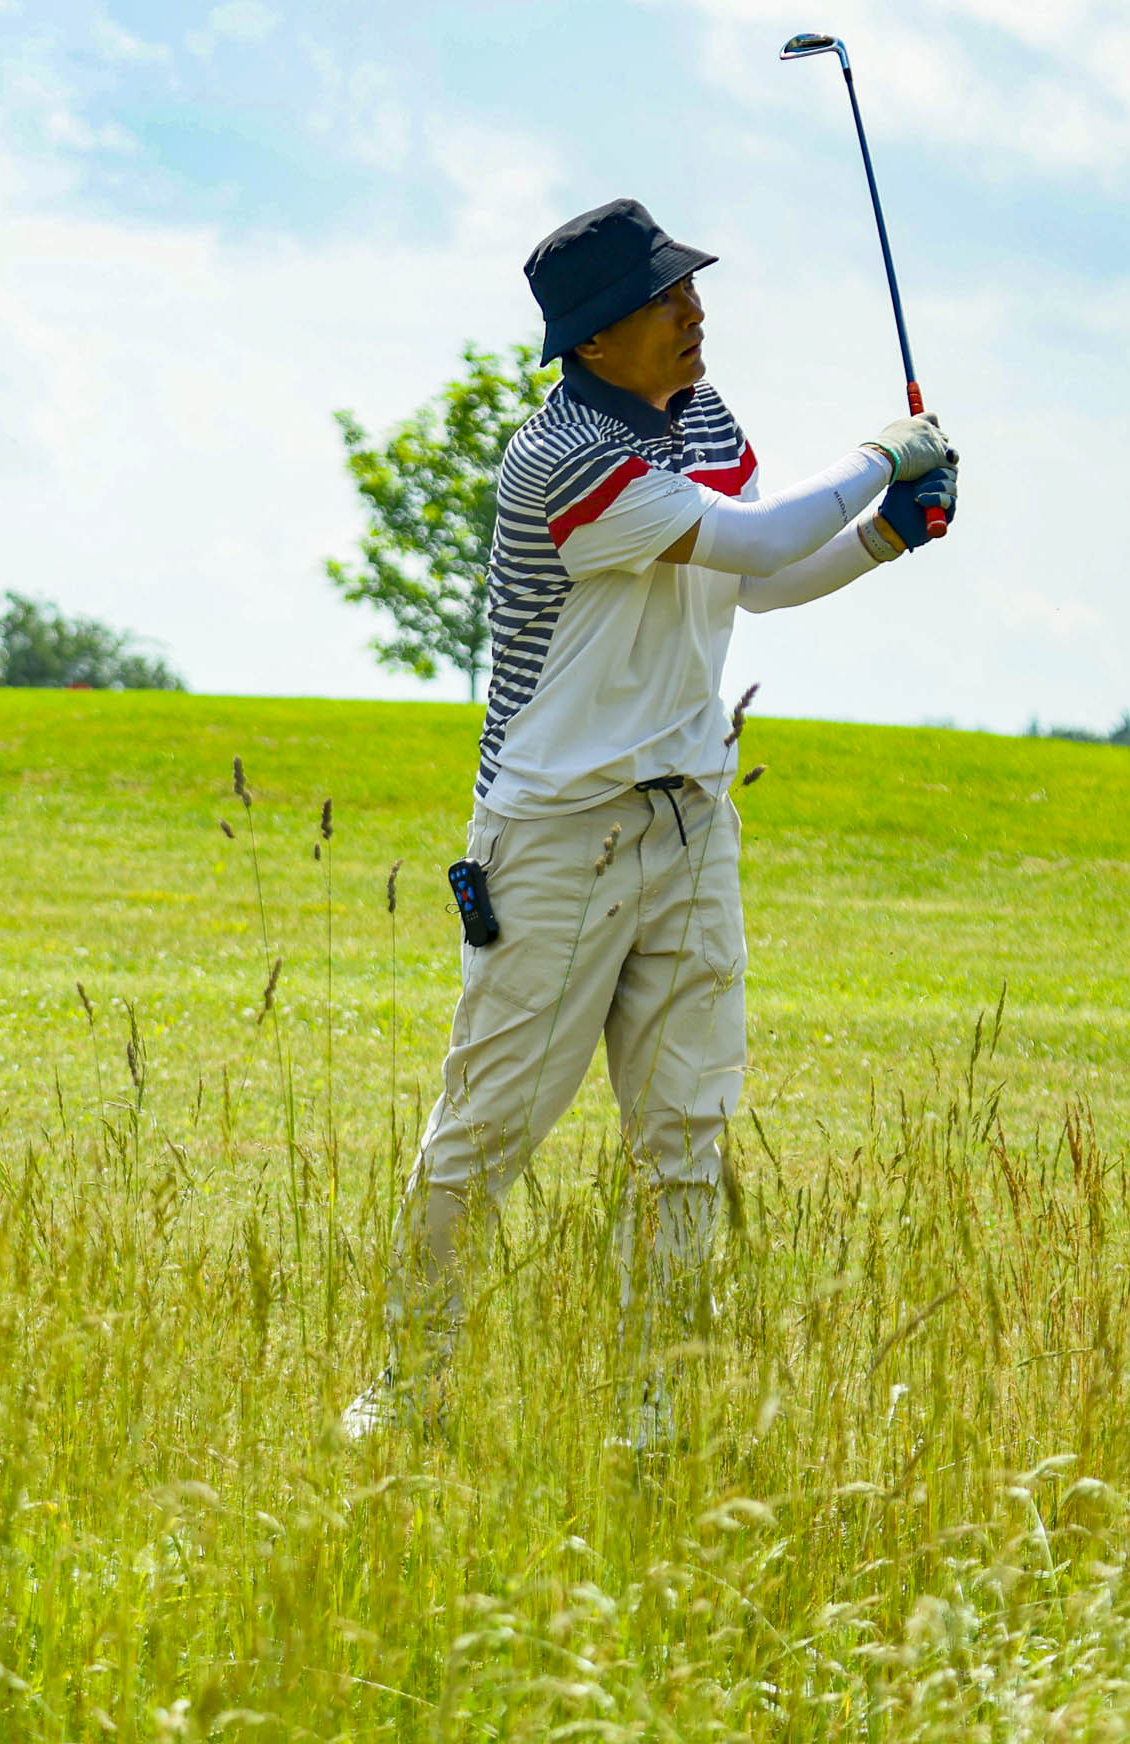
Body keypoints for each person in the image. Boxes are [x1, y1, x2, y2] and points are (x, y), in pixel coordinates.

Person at [342, 197, 959, 1450]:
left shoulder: (703, 419)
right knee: (492, 1124)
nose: (695, 314)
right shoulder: (564, 455)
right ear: (596, 335)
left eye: (690, 291)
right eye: (665, 300)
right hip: (559, 838)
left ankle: (657, 1408)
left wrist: (888, 534)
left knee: (685, 1130)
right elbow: (757, 529)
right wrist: (879, 456)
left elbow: (757, 576)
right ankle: (405, 1383)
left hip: (690, 821)